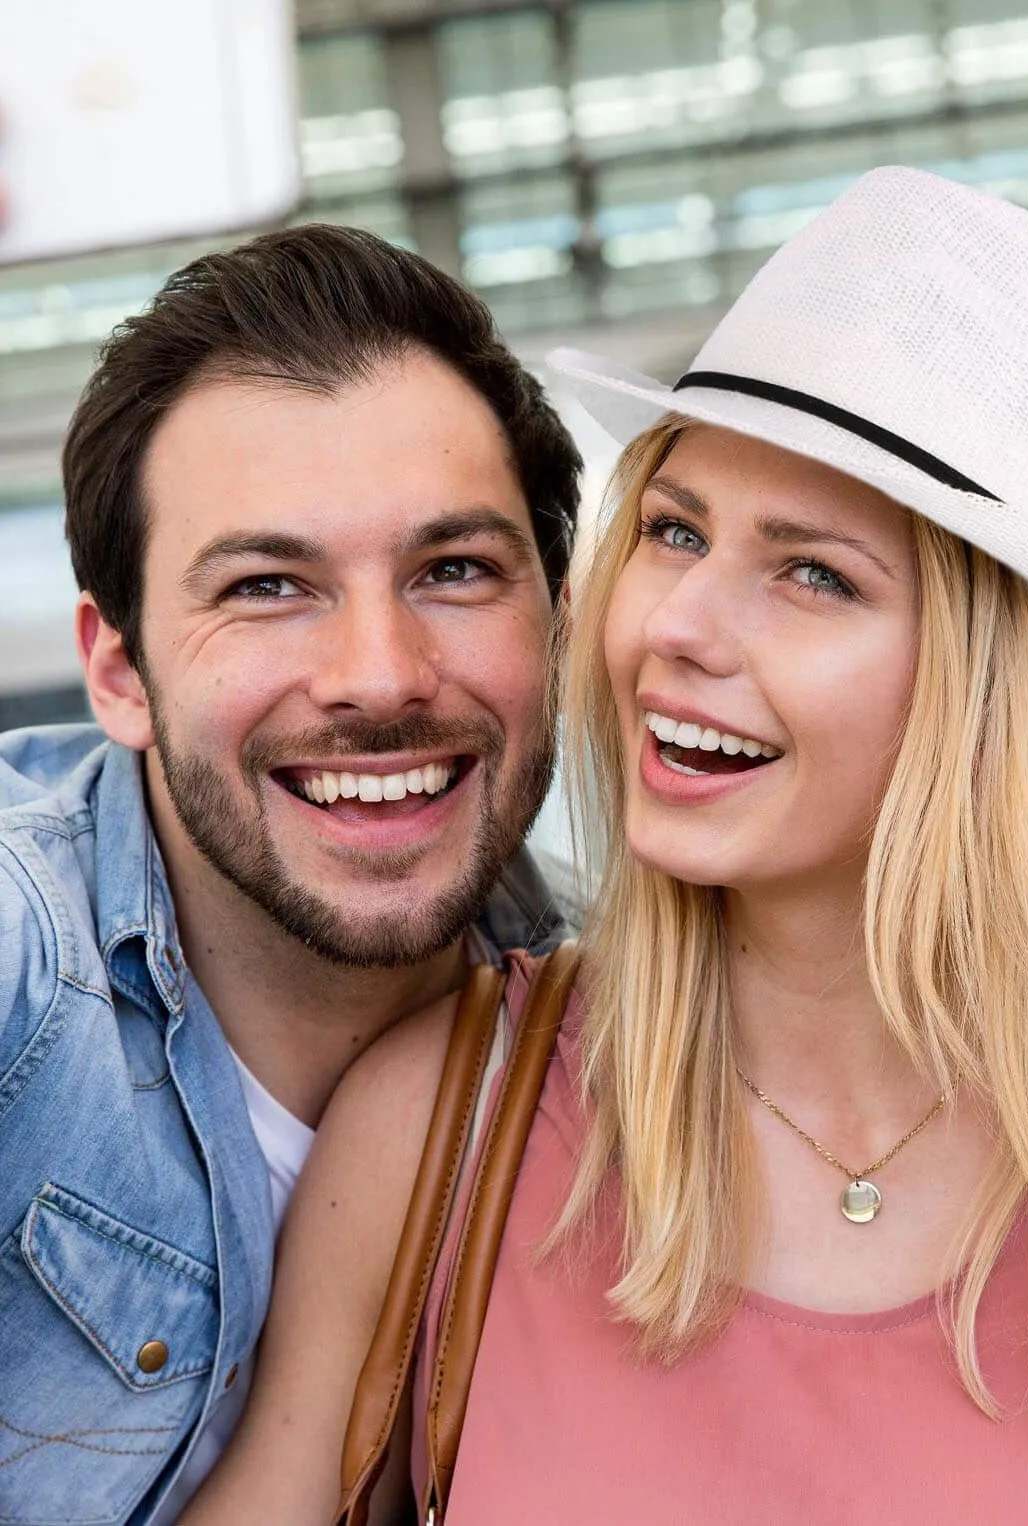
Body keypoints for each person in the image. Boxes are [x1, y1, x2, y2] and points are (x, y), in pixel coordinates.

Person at [191, 167, 1028, 1526]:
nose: (674, 627)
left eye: (813, 573)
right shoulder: (447, 1116)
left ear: (994, 688)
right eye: (673, 530)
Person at [0, 226, 580, 1525]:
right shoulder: (22, 955)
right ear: (119, 672)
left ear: (558, 622)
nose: (380, 675)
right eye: (268, 586)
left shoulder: (620, 1034)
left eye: (454, 571)